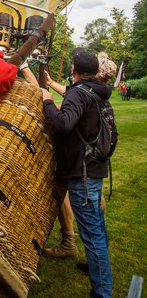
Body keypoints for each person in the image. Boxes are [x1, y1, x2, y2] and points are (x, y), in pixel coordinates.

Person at [41, 47, 113, 298]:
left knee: (92, 235)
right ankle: (99, 270)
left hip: (82, 172)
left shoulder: (77, 94)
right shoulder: (99, 91)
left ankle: (102, 292)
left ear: (74, 70)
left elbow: (63, 123)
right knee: (98, 229)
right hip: (94, 167)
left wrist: (47, 100)